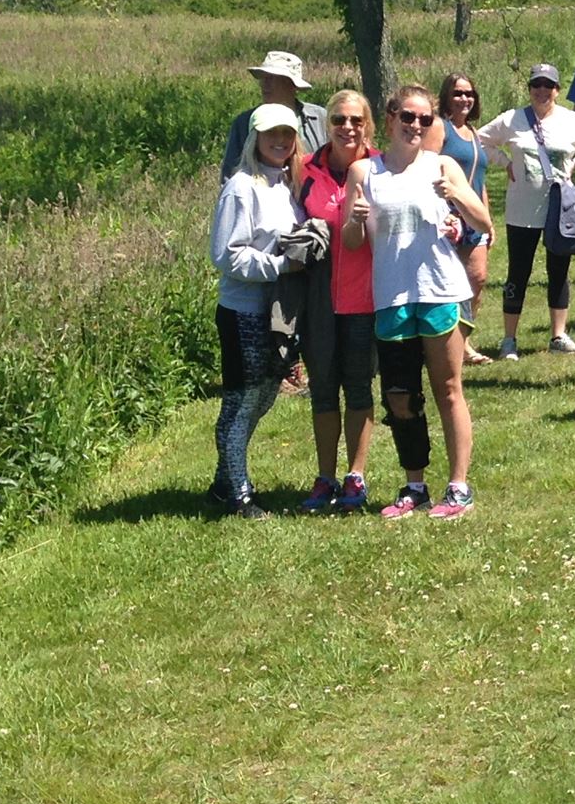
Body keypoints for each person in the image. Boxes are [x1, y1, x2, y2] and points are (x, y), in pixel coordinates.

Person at [346, 86, 490, 519]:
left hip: (441, 290)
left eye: (426, 119)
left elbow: (482, 223)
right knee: (400, 396)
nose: (416, 126)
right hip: (392, 294)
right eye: (408, 116)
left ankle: (459, 486)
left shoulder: (441, 165)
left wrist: (456, 195)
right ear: (390, 117)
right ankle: (415, 485)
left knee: (448, 390)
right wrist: (354, 221)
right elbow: (354, 243)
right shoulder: (363, 172)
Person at [207, 102, 317, 516]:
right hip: (243, 310)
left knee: (266, 394)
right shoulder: (241, 186)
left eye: (288, 134)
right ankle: (238, 494)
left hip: (278, 310)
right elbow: (226, 255)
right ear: (254, 137)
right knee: (241, 400)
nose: (280, 141)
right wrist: (281, 265)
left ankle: (223, 482)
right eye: (272, 133)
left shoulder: (286, 186)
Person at [294, 89, 381, 513]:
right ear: (327, 125)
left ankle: (355, 475)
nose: (348, 128)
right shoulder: (305, 169)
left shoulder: (381, 168)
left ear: (368, 125)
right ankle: (324, 475)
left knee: (360, 386)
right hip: (318, 297)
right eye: (339, 120)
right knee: (324, 389)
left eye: (356, 120)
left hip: (366, 296)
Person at [475, 65, 575, 359]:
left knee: (559, 270)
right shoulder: (513, 119)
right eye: (536, 85)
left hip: (560, 208)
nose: (542, 91)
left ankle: (558, 335)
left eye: (548, 85)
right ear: (529, 88)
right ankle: (509, 339)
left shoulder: (574, 121)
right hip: (521, 209)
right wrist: (504, 162)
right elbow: (479, 140)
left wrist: (574, 164)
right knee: (519, 270)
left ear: (557, 89)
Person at [437, 73, 495, 361]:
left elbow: (479, 180)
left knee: (477, 278)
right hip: (447, 218)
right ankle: (446, 342)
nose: (464, 99)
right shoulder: (440, 128)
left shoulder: (473, 133)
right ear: (447, 97)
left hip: (472, 216)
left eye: (469, 93)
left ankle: (464, 340)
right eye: (458, 93)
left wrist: (487, 218)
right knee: (449, 280)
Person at [220, 49, 328, 180]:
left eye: (272, 78)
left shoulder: (320, 118)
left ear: (291, 84)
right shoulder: (244, 123)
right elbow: (229, 174)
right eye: (263, 78)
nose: (264, 84)